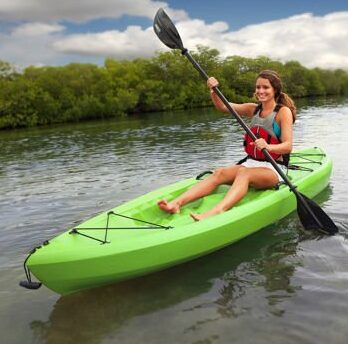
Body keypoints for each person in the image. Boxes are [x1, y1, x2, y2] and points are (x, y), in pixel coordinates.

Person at [158, 70, 296, 221]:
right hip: (252, 163)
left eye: (265, 87)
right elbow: (224, 107)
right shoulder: (253, 109)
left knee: (244, 173)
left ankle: (217, 211)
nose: (260, 91)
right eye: (258, 87)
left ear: (275, 90)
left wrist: (269, 147)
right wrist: (213, 91)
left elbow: (287, 146)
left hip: (274, 168)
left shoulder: (283, 112)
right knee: (219, 173)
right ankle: (176, 204)